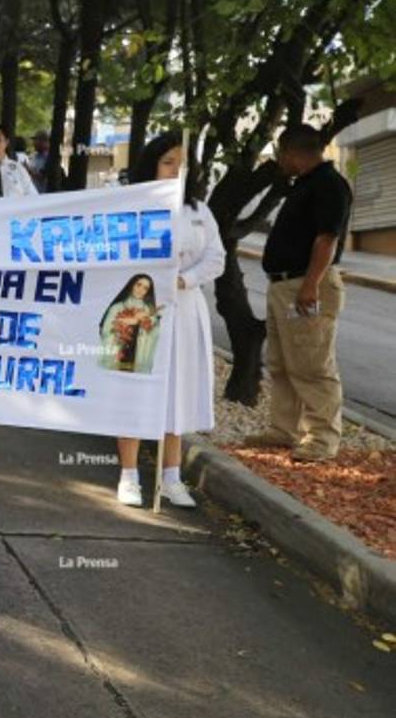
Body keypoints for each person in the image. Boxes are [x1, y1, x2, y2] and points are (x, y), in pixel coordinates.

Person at [114, 133, 224, 508]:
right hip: (140, 307)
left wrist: (183, 279)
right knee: (133, 386)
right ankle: (129, 476)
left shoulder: (198, 211)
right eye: (167, 161)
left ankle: (171, 476)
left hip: (185, 308)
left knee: (176, 389)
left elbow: (216, 257)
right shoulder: (134, 206)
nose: (176, 169)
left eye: (182, 161)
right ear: (151, 165)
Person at [244, 123, 352, 463]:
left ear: (291, 152)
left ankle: (321, 439)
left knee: (312, 364)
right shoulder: (304, 185)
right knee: (281, 363)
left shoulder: (329, 185)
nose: (280, 162)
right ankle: (283, 429)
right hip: (284, 285)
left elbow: (327, 238)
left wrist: (310, 285)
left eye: (281, 155)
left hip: (306, 285)